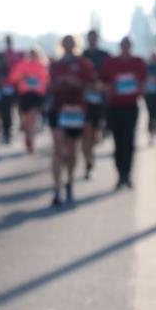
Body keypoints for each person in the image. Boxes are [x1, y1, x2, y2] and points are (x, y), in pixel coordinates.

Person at [48, 36, 97, 206]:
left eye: (71, 43)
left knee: (72, 150)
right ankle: (56, 190)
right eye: (65, 44)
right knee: (58, 150)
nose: (68, 46)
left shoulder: (84, 64)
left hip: (76, 111)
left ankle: (69, 182)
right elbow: (49, 85)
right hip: (58, 110)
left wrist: (77, 83)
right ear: (61, 45)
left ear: (75, 45)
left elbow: (92, 85)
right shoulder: (55, 64)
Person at [101, 37, 147, 188]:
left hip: (131, 107)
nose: (125, 48)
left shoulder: (138, 62)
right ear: (120, 46)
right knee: (117, 142)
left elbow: (144, 82)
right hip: (114, 107)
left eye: (128, 45)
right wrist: (110, 88)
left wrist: (139, 88)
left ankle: (127, 174)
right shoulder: (110, 63)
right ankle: (120, 173)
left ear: (131, 47)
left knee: (129, 141)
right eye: (123, 45)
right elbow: (103, 82)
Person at [81, 28, 111, 179]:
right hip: (84, 102)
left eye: (94, 37)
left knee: (95, 135)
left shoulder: (104, 56)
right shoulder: (83, 56)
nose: (92, 40)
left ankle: (91, 152)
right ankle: (88, 161)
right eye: (89, 37)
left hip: (101, 102)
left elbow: (111, 76)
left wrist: (102, 86)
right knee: (86, 133)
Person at [8, 45, 50, 154]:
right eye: (31, 53)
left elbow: (47, 80)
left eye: (34, 53)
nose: (33, 56)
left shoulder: (43, 65)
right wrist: (23, 77)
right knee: (27, 118)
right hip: (25, 95)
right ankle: (28, 136)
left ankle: (31, 139)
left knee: (34, 116)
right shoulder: (22, 65)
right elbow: (13, 78)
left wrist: (40, 81)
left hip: (37, 95)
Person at [2, 35, 25, 143]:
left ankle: (22, 125)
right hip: (6, 86)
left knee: (20, 106)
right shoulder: (2, 55)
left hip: (17, 85)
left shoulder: (19, 54)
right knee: (6, 110)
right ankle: (7, 130)